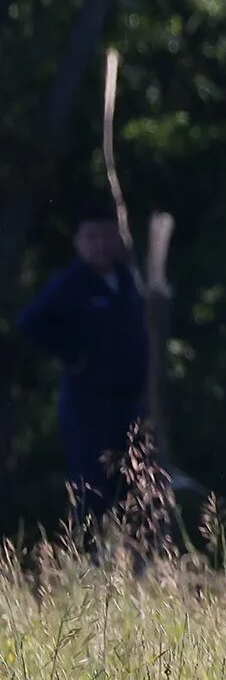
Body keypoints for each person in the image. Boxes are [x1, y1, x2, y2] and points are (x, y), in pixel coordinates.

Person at [15, 211, 149, 528]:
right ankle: (88, 556)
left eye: (106, 236)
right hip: (89, 402)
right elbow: (31, 322)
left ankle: (137, 560)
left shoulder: (128, 279)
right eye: (91, 238)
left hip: (129, 400)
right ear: (77, 242)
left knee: (135, 481)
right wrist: (74, 355)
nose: (100, 245)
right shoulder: (71, 283)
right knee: (92, 482)